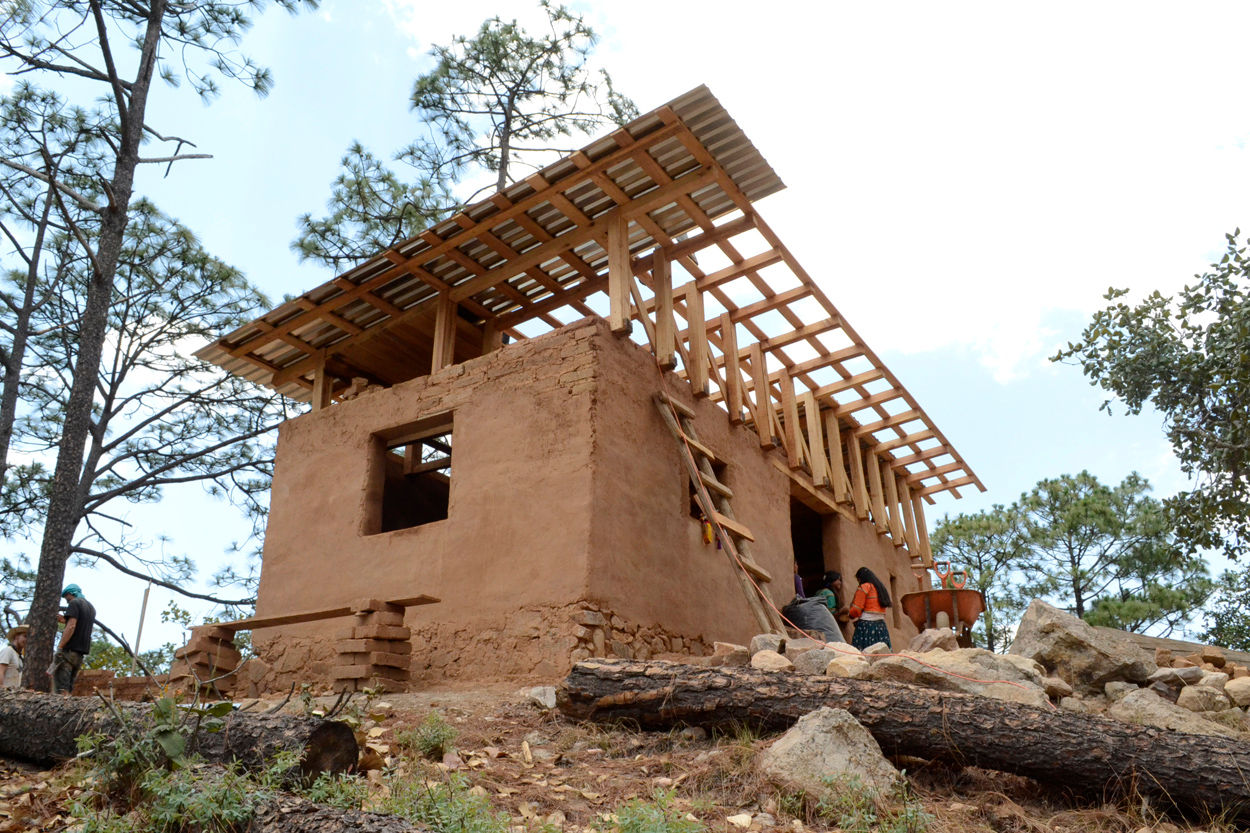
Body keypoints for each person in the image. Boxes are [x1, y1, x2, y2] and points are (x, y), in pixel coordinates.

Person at [52, 584, 95, 695]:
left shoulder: (74, 603)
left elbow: (72, 626)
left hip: (69, 652)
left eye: (66, 597)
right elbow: (80, 625)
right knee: (69, 688)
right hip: (79, 655)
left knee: (62, 689)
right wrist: (65, 621)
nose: (66, 600)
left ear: (70, 593)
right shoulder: (91, 608)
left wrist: (60, 647)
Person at [847, 567, 892, 651]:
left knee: (864, 654)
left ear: (860, 578)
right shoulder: (880, 588)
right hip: (881, 626)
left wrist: (850, 615)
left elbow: (856, 609)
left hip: (866, 626)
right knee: (883, 654)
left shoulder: (865, 587)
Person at [0, 624, 28, 689]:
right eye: (25, 636)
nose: (27, 640)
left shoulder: (21, 657)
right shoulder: (8, 651)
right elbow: (0, 670)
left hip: (14, 694)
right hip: (5, 694)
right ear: (16, 637)